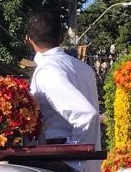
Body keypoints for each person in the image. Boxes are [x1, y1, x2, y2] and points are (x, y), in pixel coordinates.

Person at [21, 10, 101, 172]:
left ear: (28, 40)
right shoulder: (83, 67)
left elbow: (86, 115)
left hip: (63, 162)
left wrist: (72, 162)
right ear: (62, 37)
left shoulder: (48, 71)